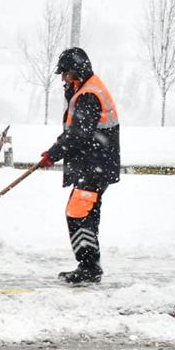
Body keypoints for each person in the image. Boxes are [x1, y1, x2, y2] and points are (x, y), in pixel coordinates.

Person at [38, 47, 120, 284]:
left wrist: (53, 154)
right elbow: (78, 133)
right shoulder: (84, 88)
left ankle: (89, 268)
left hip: (96, 165)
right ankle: (89, 265)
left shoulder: (89, 94)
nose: (64, 78)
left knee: (78, 213)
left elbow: (78, 135)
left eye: (66, 74)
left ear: (78, 71)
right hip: (94, 165)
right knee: (85, 214)